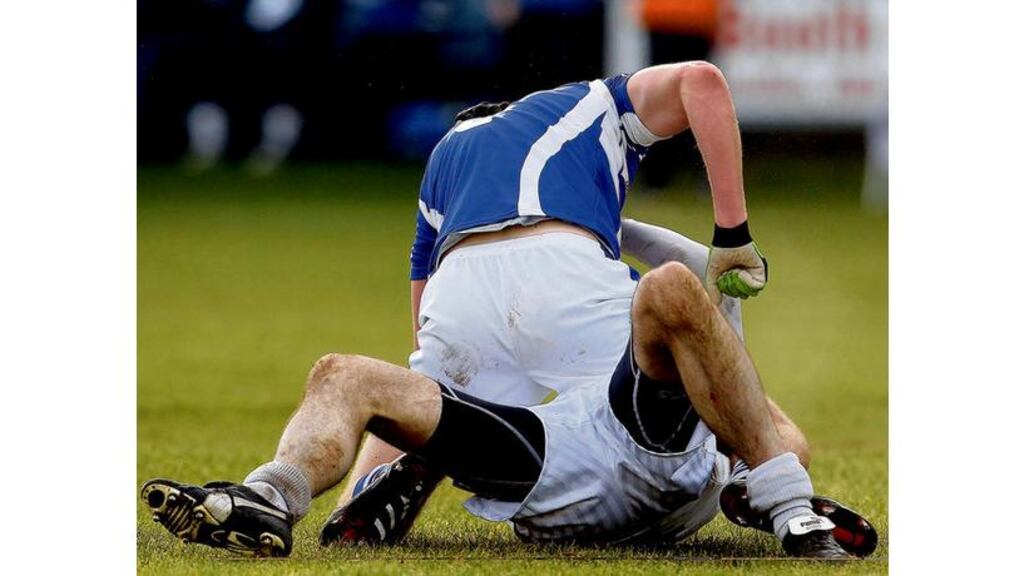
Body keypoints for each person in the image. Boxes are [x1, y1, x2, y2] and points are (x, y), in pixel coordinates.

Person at [142, 253, 870, 559]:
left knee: (673, 282)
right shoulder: (524, 322)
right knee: (343, 372)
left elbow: (783, 437)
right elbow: (781, 435)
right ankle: (271, 497)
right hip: (551, 461)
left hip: (637, 463)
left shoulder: (676, 337)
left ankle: (788, 509)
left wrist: (752, 487)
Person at [331, 60, 770, 530]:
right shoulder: (597, 102)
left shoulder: (445, 155)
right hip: (563, 269)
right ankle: (764, 477)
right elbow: (700, 81)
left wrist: (441, 375)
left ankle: (365, 492)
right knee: (692, 388)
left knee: (428, 400)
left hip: (458, 294)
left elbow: (422, 294)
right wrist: (732, 232)